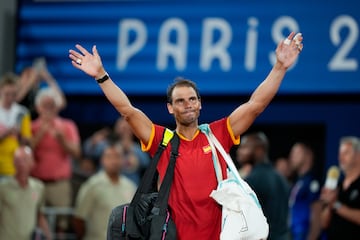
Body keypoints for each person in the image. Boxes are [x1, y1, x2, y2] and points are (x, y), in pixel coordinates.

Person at [68, 32, 303, 239]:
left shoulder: (218, 134)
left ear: (200, 104)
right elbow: (127, 111)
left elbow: (255, 105)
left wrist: (280, 67)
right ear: (170, 108)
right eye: (180, 101)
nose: (187, 105)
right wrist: (101, 76)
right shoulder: (162, 140)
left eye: (192, 99)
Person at [30, 87, 81, 233]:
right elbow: (26, 151)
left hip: (60, 182)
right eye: (45, 106)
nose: (48, 110)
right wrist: (40, 133)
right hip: (36, 182)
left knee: (62, 224)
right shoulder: (32, 126)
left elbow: (77, 153)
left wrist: (62, 140)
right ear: (38, 107)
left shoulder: (67, 126)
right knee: (36, 222)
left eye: (51, 106)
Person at [73, 142, 137, 240]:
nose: (114, 161)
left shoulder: (131, 187)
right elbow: (79, 219)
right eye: (109, 157)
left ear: (123, 160)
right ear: (102, 160)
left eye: (117, 157)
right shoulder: (92, 185)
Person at [236, 131, 291, 240]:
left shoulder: (253, 179)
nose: (239, 151)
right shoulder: (280, 177)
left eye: (245, 147)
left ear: (259, 151)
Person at [0, 145, 51, 240]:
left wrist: (48, 236)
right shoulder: (3, 187)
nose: (21, 164)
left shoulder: (38, 187)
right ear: (13, 162)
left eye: (25, 160)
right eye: (18, 160)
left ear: (32, 162)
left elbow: (40, 216)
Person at [320, 136, 360, 240]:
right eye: (340, 154)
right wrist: (329, 204)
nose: (340, 158)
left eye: (346, 153)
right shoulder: (337, 187)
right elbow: (324, 224)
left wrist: (336, 204)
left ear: (358, 156)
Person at [288, 142, 322, 240]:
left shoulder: (312, 182)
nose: (292, 157)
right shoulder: (298, 182)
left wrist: (312, 237)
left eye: (296, 153)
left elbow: (317, 214)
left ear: (308, 156)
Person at [0, 72, 32, 177]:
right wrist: (6, 133)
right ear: (1, 91)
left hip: (13, 168)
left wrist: (20, 136)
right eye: (7, 94)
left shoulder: (22, 113)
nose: (10, 98)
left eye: (13, 94)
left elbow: (26, 141)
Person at [110, 116, 151, 185]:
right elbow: (90, 150)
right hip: (113, 186)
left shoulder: (138, 148)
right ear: (116, 129)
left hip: (132, 187)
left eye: (127, 128)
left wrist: (131, 149)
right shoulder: (110, 147)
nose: (125, 131)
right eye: (122, 128)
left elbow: (146, 163)